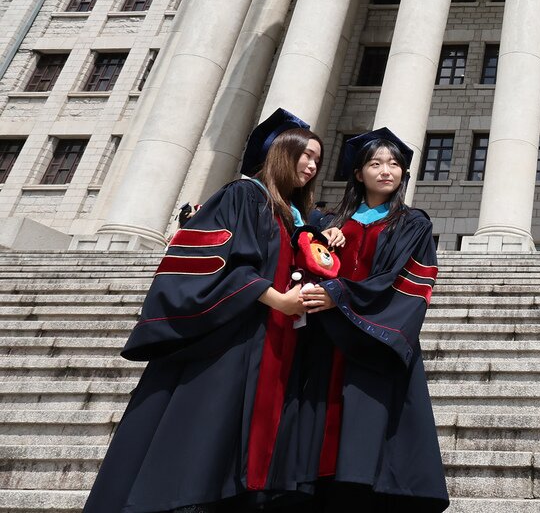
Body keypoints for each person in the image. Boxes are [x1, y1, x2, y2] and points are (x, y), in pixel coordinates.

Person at [85, 109, 323, 512]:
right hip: (227, 341)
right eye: (306, 154)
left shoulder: (285, 216)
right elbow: (223, 264)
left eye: (318, 158)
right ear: (283, 152)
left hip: (266, 343)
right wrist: (277, 299)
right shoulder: (243, 195)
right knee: (202, 442)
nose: (313, 165)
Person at [286, 127, 449, 511]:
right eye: (375, 163)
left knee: (366, 434)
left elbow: (405, 282)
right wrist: (318, 240)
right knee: (317, 429)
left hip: (375, 340)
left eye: (394, 164)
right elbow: (303, 266)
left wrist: (340, 297)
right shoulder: (329, 220)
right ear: (359, 173)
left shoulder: (413, 225)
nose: (386, 171)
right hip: (325, 340)